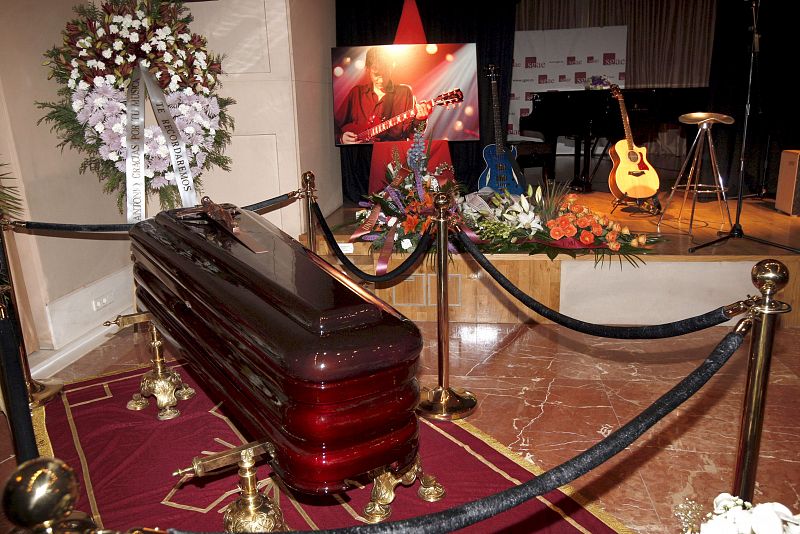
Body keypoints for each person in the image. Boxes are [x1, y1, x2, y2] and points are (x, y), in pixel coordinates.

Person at [335, 47, 432, 144]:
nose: (381, 80)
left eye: (385, 74)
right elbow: (335, 125)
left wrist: (420, 120)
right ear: (368, 69)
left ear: (391, 67)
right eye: (376, 75)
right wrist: (341, 138)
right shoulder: (356, 93)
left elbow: (412, 135)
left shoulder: (405, 93)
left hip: (392, 153)